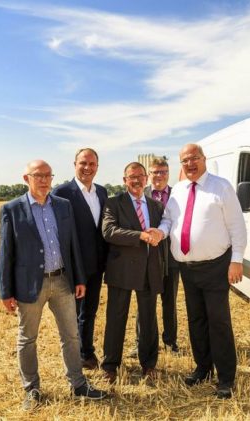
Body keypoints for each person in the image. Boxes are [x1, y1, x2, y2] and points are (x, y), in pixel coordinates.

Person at [0, 159, 107, 411]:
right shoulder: (11, 209)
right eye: (38, 175)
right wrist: (5, 291)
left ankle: (78, 384)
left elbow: (72, 245)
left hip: (62, 281)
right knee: (28, 338)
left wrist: (79, 278)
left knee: (71, 335)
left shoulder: (62, 205)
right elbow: (6, 253)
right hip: (30, 284)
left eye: (48, 175)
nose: (44, 180)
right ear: (26, 179)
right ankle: (32, 389)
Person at [156, 144, 247, 399]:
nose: (190, 164)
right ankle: (203, 368)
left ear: (204, 159)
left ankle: (226, 378)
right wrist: (160, 232)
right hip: (188, 268)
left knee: (218, 321)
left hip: (216, 265)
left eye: (194, 158)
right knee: (196, 320)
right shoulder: (178, 190)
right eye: (185, 160)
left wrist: (237, 260)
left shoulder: (222, 187)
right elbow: (168, 220)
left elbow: (237, 226)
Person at [100, 162, 164, 383]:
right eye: (131, 177)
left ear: (146, 178)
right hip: (122, 269)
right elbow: (109, 231)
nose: (136, 180)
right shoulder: (113, 203)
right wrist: (140, 236)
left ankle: (149, 365)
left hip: (149, 269)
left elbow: (163, 233)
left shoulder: (156, 206)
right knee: (116, 317)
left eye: (140, 176)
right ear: (124, 180)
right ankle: (110, 366)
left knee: (148, 319)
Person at [53, 148, 108, 370]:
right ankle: (74, 356)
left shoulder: (102, 192)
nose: (87, 168)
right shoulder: (62, 192)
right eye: (83, 163)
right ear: (74, 164)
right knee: (72, 313)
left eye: (92, 164)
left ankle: (86, 352)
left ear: (97, 167)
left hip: (96, 264)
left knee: (90, 311)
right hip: (73, 266)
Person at [130, 158, 181, 357]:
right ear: (148, 175)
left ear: (168, 173)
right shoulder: (140, 193)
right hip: (148, 257)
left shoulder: (178, 195)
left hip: (171, 256)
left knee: (170, 301)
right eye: (155, 172)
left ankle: (170, 342)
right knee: (145, 302)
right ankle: (140, 342)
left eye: (163, 172)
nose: (159, 176)